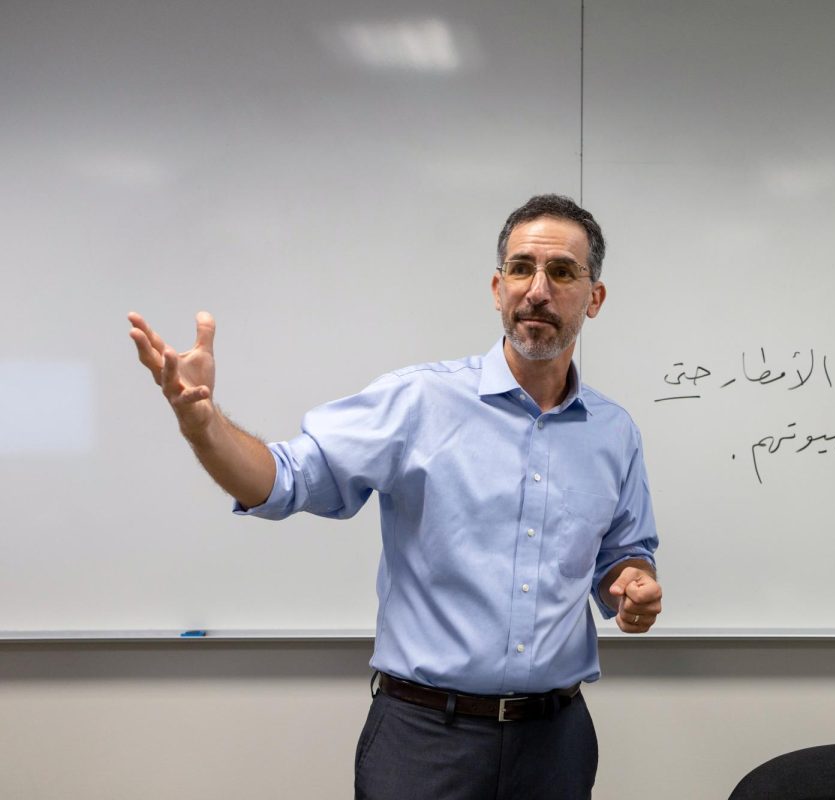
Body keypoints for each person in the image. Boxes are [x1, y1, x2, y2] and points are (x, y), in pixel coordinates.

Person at [128, 193, 662, 799]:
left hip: (555, 744)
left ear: (594, 298)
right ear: (496, 287)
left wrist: (632, 584)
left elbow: (623, 552)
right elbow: (283, 479)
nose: (537, 289)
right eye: (520, 268)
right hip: (424, 740)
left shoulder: (613, 432)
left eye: (562, 272)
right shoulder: (418, 403)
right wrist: (203, 425)